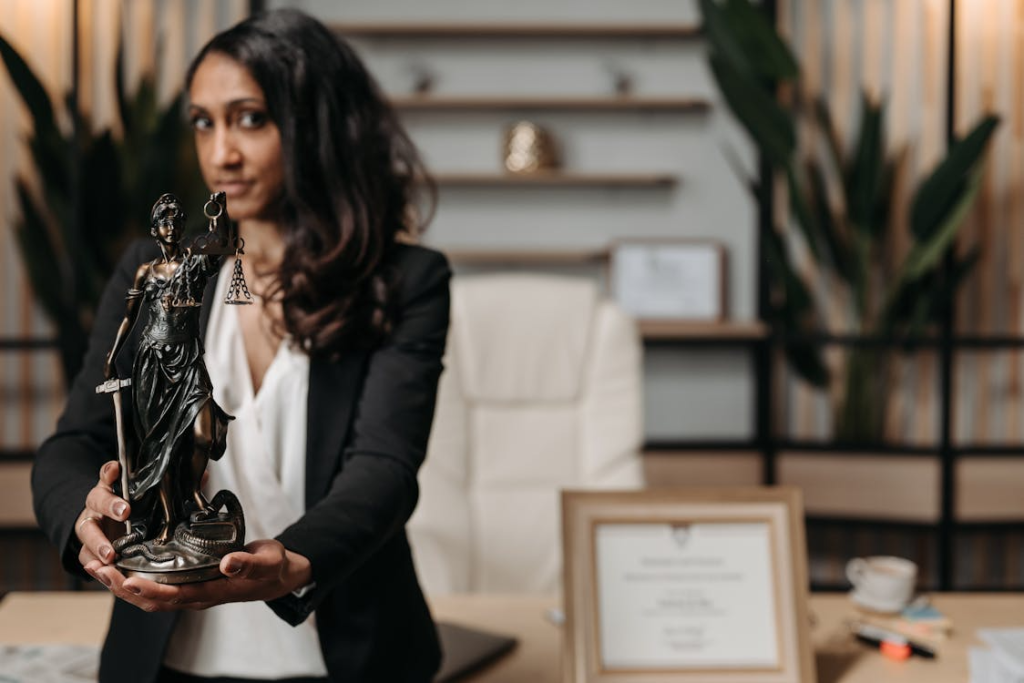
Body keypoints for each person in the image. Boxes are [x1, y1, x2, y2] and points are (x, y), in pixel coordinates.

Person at [32, 9, 449, 683]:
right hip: (167, 660)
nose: (221, 151)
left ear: (315, 124)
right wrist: (83, 512)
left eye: (250, 118)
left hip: (350, 656)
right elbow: (72, 444)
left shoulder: (405, 282)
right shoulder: (153, 270)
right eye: (204, 121)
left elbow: (385, 468)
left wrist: (290, 560)